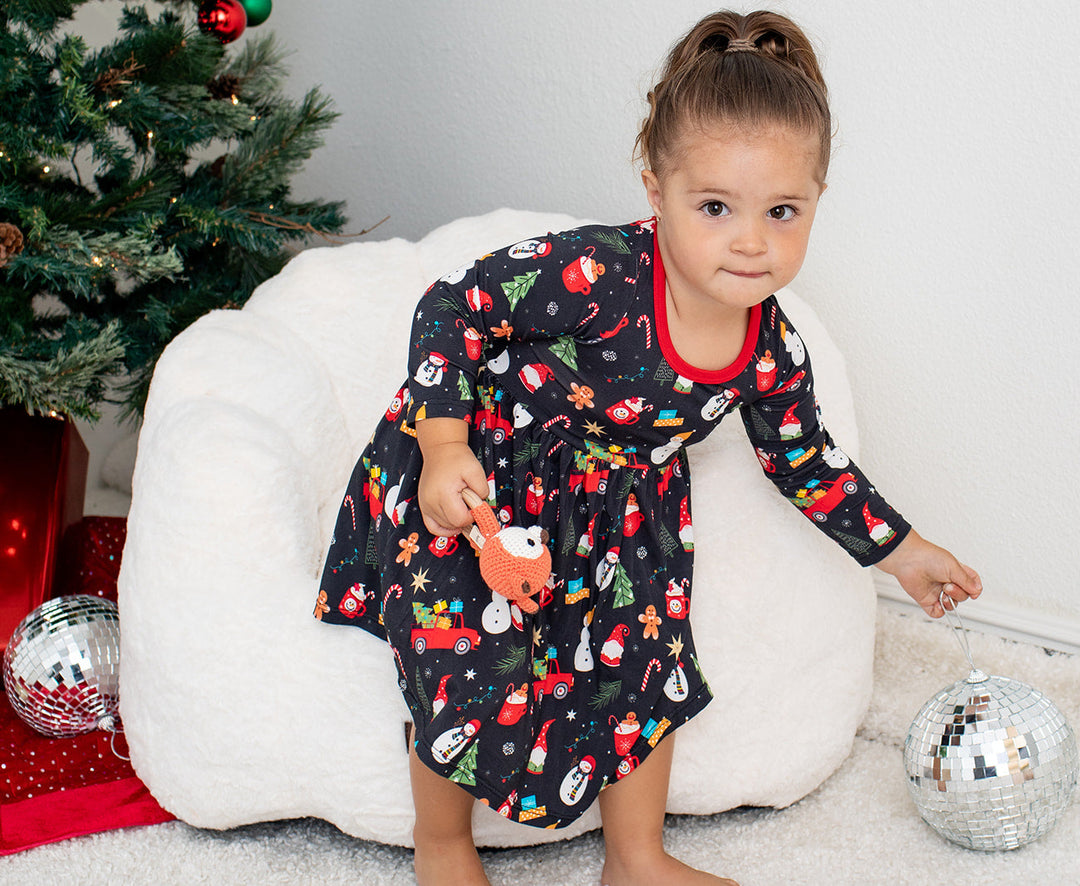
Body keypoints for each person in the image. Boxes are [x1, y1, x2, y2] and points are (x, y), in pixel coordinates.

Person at [315, 10, 981, 885]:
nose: (752, 240)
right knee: (467, 665)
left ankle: (634, 858)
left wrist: (904, 552)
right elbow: (455, 305)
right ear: (654, 189)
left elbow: (805, 460)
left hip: (620, 514)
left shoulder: (771, 350)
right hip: (488, 480)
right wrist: (442, 446)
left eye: (783, 211)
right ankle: (443, 846)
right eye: (715, 207)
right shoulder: (596, 276)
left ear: (817, 201)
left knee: (642, 671)